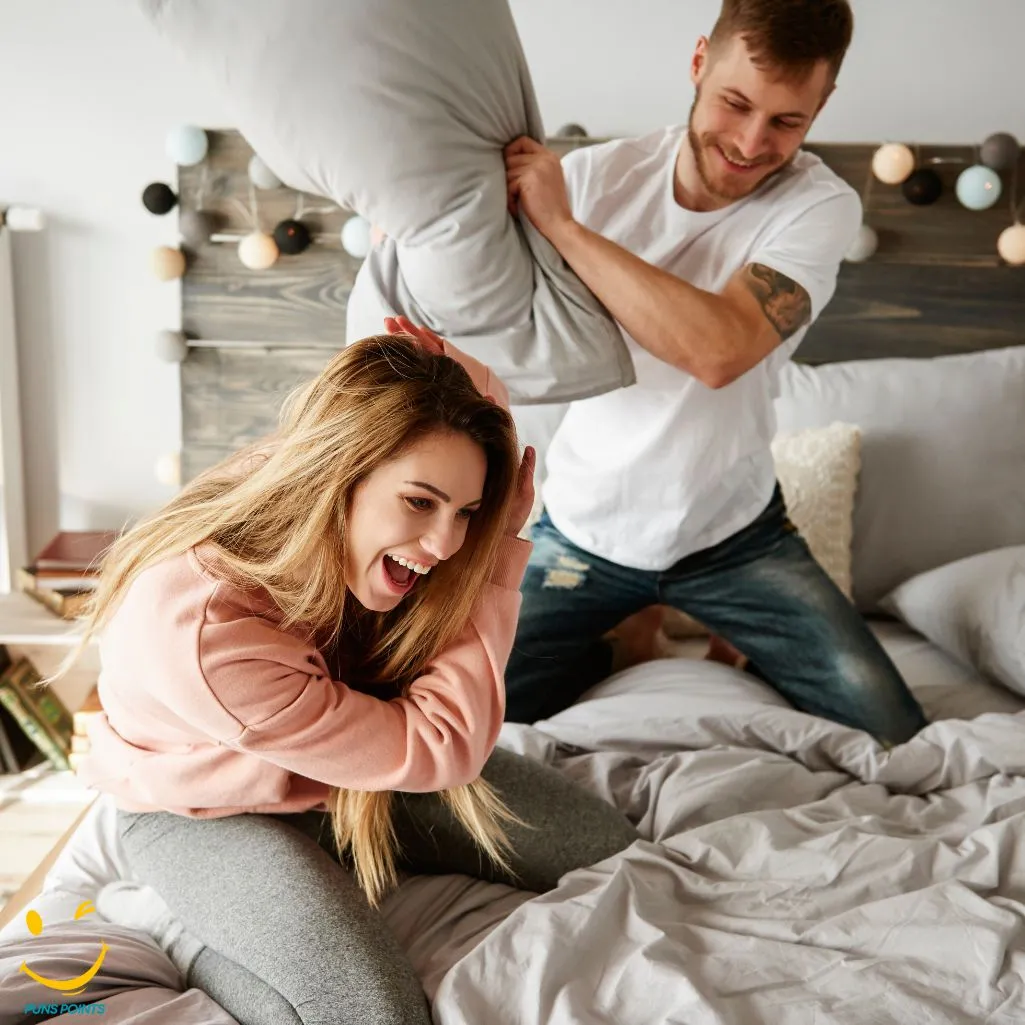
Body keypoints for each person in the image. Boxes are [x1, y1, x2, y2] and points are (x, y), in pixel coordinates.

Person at [67, 318, 639, 1025]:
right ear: (337, 473)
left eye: (466, 514)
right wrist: (498, 561)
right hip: (205, 812)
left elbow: (426, 416)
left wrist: (453, 372)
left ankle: (311, 882)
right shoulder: (208, 630)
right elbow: (442, 747)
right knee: (374, 1013)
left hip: (334, 773)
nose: (445, 543)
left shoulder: (334, 475)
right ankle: (196, 941)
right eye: (420, 502)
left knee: (604, 848)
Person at [501, 0, 928, 746]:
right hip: (579, 531)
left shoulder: (819, 206)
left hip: (734, 538)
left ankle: (728, 644)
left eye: (786, 122)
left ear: (822, 107)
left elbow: (718, 351)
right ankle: (626, 639)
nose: (749, 142)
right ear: (698, 62)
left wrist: (566, 229)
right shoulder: (595, 177)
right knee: (466, 719)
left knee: (897, 734)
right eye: (734, 102)